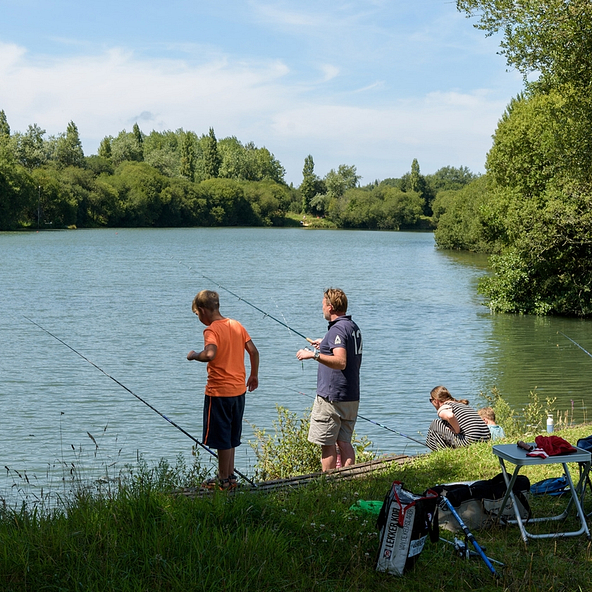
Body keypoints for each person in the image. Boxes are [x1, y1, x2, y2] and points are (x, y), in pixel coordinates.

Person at [187, 290, 259, 490]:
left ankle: (223, 480)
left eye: (197, 315)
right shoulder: (236, 325)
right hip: (238, 391)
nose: (199, 319)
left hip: (218, 392)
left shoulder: (211, 330)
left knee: (221, 438)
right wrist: (254, 375)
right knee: (231, 437)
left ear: (202, 311)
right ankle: (230, 477)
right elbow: (253, 351)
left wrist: (194, 355)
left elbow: (210, 354)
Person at [296, 288, 362, 471]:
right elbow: (343, 348)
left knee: (327, 443)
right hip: (351, 395)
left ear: (330, 307)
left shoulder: (337, 330)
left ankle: (329, 482)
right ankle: (349, 479)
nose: (322, 308)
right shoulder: (352, 327)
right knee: (344, 441)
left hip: (332, 397)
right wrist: (324, 343)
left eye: (323, 305)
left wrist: (314, 355)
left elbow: (341, 361)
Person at [425, 385, 491, 451]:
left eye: (431, 400)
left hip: (470, 441)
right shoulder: (460, 405)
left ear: (436, 401)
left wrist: (456, 431)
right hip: (486, 438)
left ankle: (443, 453)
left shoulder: (444, 407)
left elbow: (450, 416)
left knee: (435, 424)